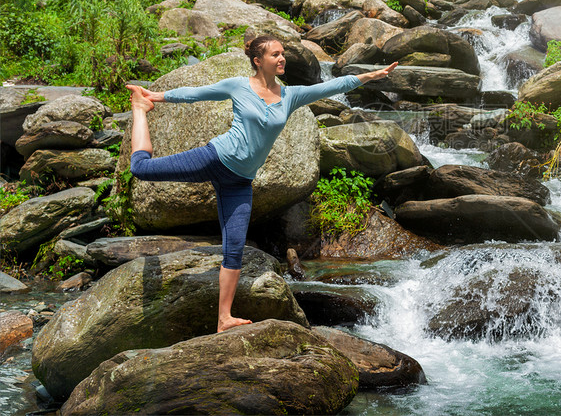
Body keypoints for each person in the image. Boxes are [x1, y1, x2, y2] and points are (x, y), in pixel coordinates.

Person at [125, 35, 397, 332]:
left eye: (283, 54)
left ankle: (224, 318)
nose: (282, 59)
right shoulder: (238, 86)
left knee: (234, 248)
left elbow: (331, 86)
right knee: (141, 169)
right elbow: (196, 93)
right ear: (258, 60)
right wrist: (153, 97)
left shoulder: (290, 95)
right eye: (276, 54)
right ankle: (139, 110)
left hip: (240, 181)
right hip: (215, 158)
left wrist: (370, 75)